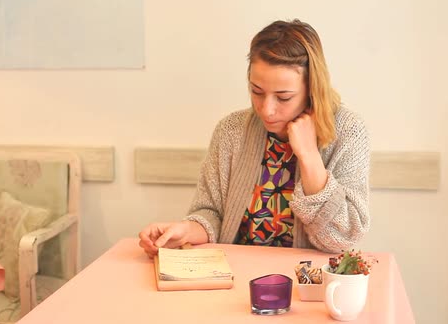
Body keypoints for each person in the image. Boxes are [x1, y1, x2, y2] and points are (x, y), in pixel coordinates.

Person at [139, 19, 370, 258]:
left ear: (312, 89)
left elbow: (343, 238)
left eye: (284, 97)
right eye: (257, 91)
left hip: (308, 284)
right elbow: (211, 213)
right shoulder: (231, 130)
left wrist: (310, 156)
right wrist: (185, 230)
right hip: (235, 274)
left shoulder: (348, 131)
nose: (267, 110)